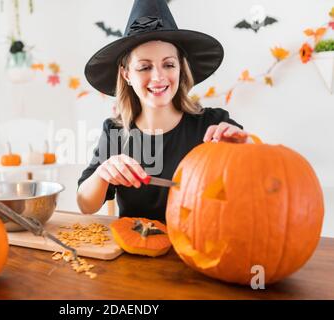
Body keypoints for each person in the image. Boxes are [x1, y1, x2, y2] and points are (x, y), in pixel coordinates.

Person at [77, 0, 249, 221]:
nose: (158, 77)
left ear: (180, 68)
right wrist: (103, 173)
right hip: (134, 250)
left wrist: (245, 146)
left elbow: (254, 178)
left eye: (168, 65)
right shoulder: (115, 132)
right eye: (144, 67)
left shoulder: (212, 124)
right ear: (127, 74)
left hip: (198, 249)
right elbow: (85, 204)